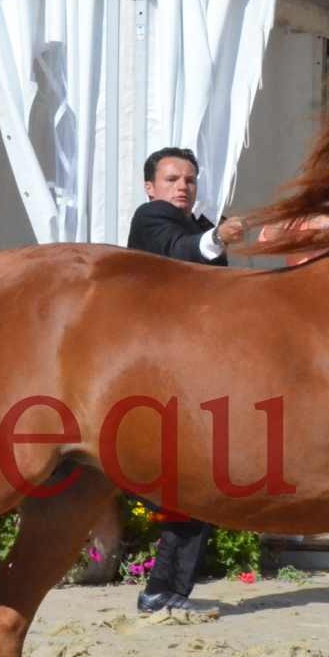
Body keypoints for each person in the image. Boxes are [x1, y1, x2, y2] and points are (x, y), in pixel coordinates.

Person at [125, 147, 244, 617]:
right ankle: (163, 590)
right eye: (173, 179)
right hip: (156, 376)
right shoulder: (151, 218)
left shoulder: (197, 226)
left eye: (190, 179)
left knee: (195, 487)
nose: (182, 186)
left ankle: (165, 591)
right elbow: (180, 254)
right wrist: (218, 236)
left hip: (192, 374)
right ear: (151, 187)